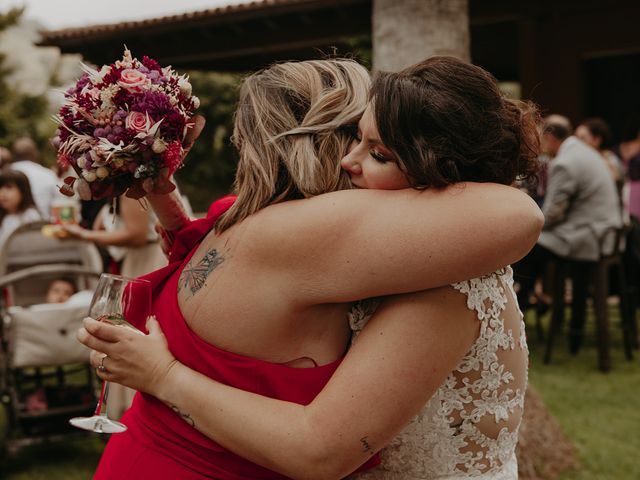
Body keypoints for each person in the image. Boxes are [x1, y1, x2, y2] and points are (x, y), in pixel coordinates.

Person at [79, 58, 543, 479]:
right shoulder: (329, 242)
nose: (350, 161)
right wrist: (164, 197)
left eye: (379, 153)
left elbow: (320, 449)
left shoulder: (435, 274)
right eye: (355, 138)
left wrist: (162, 375)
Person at [515, 114, 622, 353]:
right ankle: (539, 303)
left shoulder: (564, 162)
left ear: (551, 138)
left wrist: (522, 226)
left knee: (522, 254)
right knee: (530, 254)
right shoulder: (583, 152)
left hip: (588, 237)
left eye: (542, 138)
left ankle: (519, 319)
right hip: (603, 234)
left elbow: (550, 215)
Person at [9, 137, 61, 221]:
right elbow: (60, 203)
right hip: (41, 228)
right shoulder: (48, 174)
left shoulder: (5, 174)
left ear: (13, 155)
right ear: (35, 154)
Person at [0, 169, 42, 243]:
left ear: (23, 191)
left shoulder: (30, 216)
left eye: (9, 187)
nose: (3, 193)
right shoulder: (3, 216)